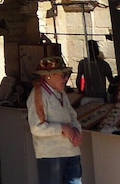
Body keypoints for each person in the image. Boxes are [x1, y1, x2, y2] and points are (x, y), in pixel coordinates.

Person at [26, 56, 82, 184]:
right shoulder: (38, 95)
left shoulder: (62, 94)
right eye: (63, 75)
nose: (66, 79)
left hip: (71, 151)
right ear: (49, 76)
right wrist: (62, 128)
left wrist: (76, 131)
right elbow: (36, 127)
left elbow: (73, 117)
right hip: (51, 155)